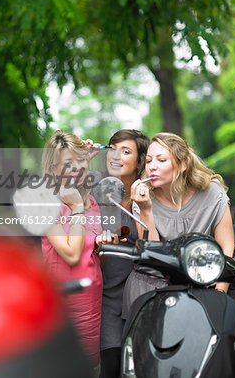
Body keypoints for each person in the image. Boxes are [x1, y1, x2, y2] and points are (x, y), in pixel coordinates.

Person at [122, 132, 235, 318]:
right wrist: (146, 211)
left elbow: (226, 248)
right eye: (149, 161)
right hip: (151, 289)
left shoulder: (213, 194)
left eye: (161, 160)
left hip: (200, 287)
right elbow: (153, 257)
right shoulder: (143, 200)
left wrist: (219, 294)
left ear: (182, 165)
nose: (152, 167)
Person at [40, 130, 107, 376]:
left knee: (90, 370)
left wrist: (103, 245)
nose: (77, 168)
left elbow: (92, 255)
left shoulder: (92, 202)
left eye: (81, 162)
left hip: (91, 306)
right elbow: (71, 254)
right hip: (61, 307)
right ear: (53, 168)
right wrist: (77, 208)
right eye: (67, 164)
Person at [88, 129, 150, 378]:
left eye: (125, 151)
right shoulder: (93, 194)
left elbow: (152, 242)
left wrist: (143, 207)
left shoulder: (150, 195)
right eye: (112, 149)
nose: (116, 156)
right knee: (111, 366)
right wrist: (83, 158)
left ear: (140, 161)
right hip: (106, 297)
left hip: (143, 292)